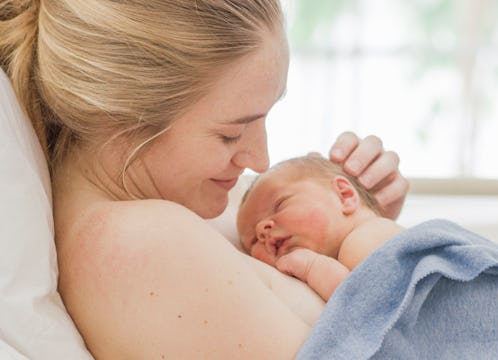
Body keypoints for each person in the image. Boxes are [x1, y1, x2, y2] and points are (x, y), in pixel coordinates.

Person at [0, 1, 410, 358]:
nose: (260, 159)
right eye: (231, 133)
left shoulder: (178, 207)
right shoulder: (137, 248)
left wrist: (360, 234)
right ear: (125, 121)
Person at [237, 155, 406, 301]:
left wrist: (312, 268)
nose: (261, 229)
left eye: (280, 205)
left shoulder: (367, 236)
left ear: (344, 195)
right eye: (252, 241)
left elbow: (370, 306)